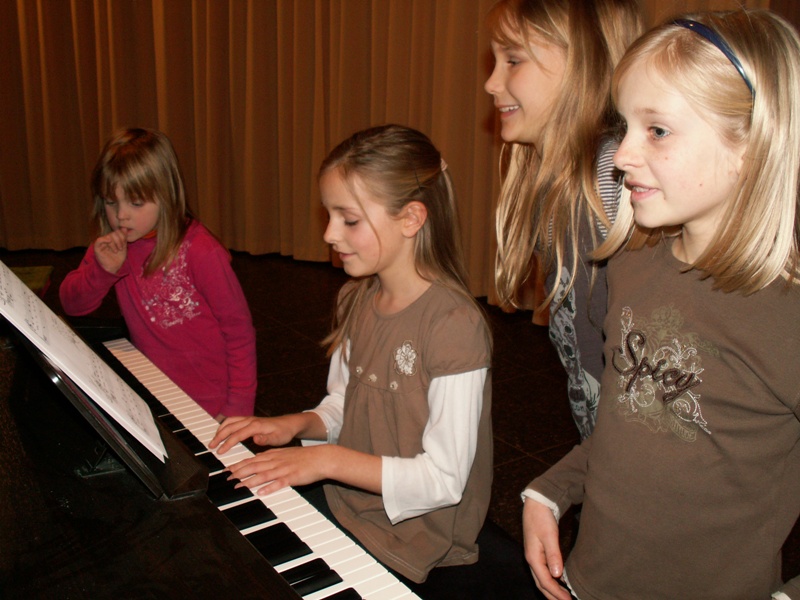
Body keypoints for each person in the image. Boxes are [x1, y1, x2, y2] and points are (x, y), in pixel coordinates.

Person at [523, 10, 800, 600]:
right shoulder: (632, 266)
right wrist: (551, 489)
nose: (621, 156)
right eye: (625, 126)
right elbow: (631, 424)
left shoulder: (787, 316)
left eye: (657, 131)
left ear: (751, 145)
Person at [210, 124, 528, 597]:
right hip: (349, 500)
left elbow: (444, 480)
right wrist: (297, 424)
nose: (328, 233)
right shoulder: (355, 299)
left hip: (419, 537)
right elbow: (346, 404)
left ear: (411, 218)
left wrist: (327, 461)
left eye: (349, 219)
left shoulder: (453, 325)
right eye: (329, 215)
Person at [485, 0, 643, 440]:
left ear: (582, 64)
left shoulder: (613, 180)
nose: (490, 82)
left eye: (513, 60)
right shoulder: (555, 186)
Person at [60, 127, 256, 421]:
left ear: (166, 196)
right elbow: (71, 303)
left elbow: (238, 331)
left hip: (210, 402)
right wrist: (102, 271)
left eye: (136, 203)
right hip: (154, 393)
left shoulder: (202, 251)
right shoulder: (113, 247)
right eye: (111, 202)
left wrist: (238, 406)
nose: (121, 215)